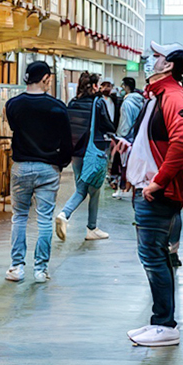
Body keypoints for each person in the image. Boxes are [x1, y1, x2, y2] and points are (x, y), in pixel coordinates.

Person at [122, 42, 183, 347]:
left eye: (156, 56)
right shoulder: (159, 95)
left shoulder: (172, 96)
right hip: (152, 188)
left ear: (168, 65)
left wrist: (157, 182)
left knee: (152, 256)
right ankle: (162, 322)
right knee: (155, 255)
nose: (150, 60)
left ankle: (165, 324)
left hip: (158, 192)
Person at [3, 60, 72, 283]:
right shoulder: (57, 107)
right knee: (44, 219)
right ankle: (40, 270)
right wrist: (59, 164)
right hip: (48, 168)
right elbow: (67, 142)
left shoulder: (13, 105)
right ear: (45, 79)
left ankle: (16, 267)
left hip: (21, 166)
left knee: (20, 217)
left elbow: (15, 129)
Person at [56, 72, 116, 243]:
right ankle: (87, 225)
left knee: (82, 188)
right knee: (93, 190)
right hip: (93, 152)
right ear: (95, 86)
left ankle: (74, 219)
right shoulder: (98, 103)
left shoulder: (73, 103)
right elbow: (107, 124)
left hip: (76, 153)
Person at [112, 77, 147, 198]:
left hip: (127, 139)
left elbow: (125, 124)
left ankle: (122, 189)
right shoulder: (142, 101)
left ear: (125, 87)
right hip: (138, 138)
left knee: (123, 164)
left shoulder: (127, 103)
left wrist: (119, 136)